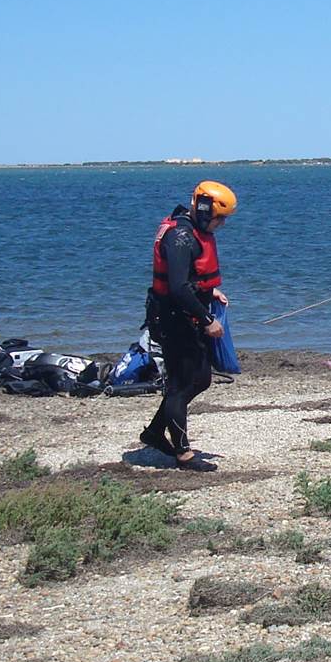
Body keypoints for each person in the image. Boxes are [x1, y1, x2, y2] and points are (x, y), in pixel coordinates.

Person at [138, 180, 236, 469]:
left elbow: (190, 278)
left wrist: (210, 291)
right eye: (221, 219)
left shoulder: (193, 230)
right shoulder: (180, 237)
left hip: (188, 314)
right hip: (173, 318)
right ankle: (182, 453)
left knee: (201, 378)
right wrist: (208, 320)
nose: (222, 225)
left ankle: (155, 432)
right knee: (180, 385)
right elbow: (178, 288)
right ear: (206, 212)